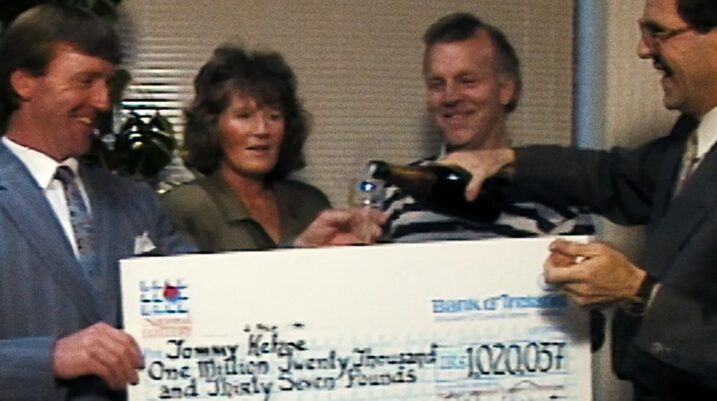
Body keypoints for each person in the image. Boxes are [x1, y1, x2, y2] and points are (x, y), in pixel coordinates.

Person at [0, 5, 383, 400]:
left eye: (107, 83)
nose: (102, 101)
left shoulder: (135, 200)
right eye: (85, 81)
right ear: (24, 83)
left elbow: (208, 299)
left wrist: (301, 253)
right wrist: (49, 358)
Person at [443, 0, 717, 398]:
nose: (643, 49)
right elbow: (612, 176)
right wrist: (504, 160)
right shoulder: (688, 140)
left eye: (658, 32)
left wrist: (638, 293)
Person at [382, 12, 593, 243]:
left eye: (467, 81)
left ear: (505, 89)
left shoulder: (559, 201)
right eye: (437, 84)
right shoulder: (398, 196)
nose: (450, 97)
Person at [163, 44, 339, 251]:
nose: (262, 130)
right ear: (212, 125)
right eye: (244, 116)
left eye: (274, 116)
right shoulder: (188, 205)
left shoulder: (310, 203)